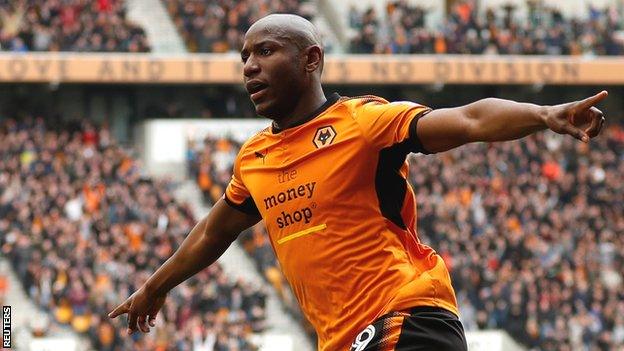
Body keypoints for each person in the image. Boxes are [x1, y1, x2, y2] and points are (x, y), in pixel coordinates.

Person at [108, 14, 607, 351]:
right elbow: (215, 232)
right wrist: (154, 287)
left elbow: (471, 120)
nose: (250, 66)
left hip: (406, 316)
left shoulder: (363, 123)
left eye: (265, 51)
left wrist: (543, 113)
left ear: (311, 60)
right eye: (244, 56)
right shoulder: (254, 158)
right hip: (345, 340)